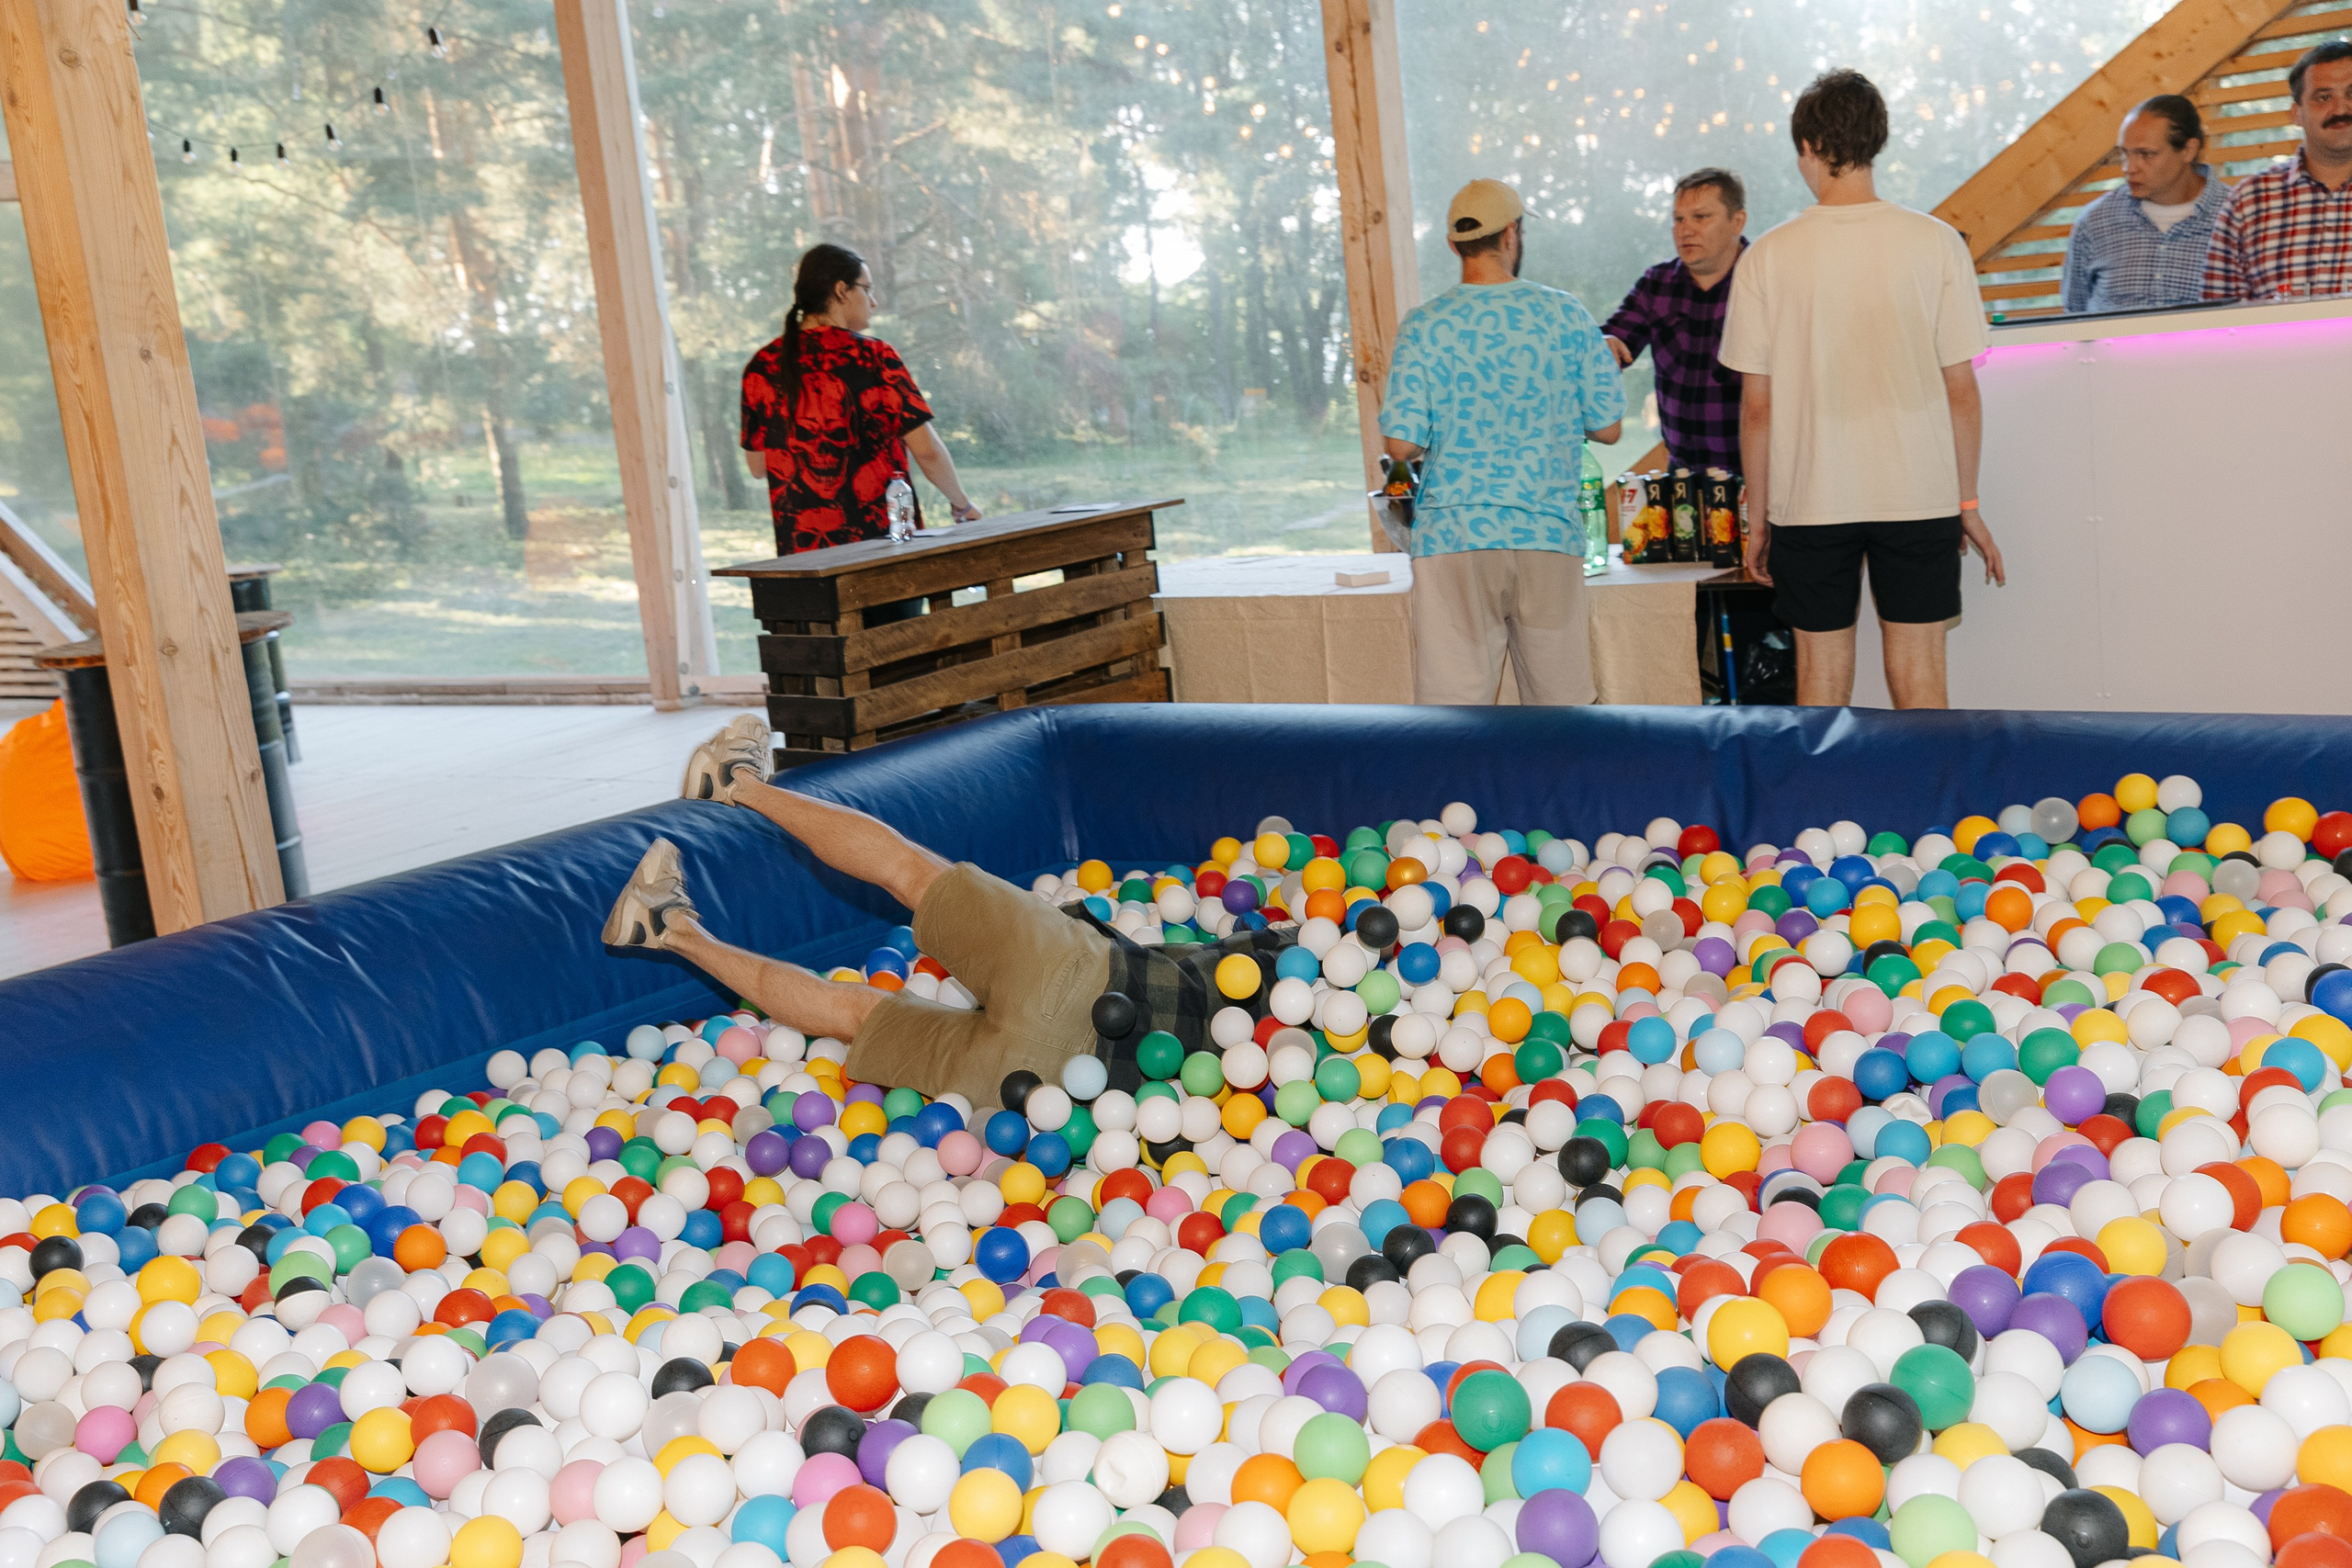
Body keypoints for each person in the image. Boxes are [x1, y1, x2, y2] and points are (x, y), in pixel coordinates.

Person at [605, 716, 1305, 1108]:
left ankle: (739, 782)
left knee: (910, 871)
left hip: (1081, 983)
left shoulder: (1296, 956)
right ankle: (667, 925)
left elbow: (1271, 947)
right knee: (855, 1015)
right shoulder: (1300, 1047)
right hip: (1043, 1091)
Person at [1718, 68, 2006, 710]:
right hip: (1920, 492)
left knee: (1820, 677)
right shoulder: (1935, 243)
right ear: (1874, 142)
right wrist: (1966, 501)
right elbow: (1961, 390)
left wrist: (1757, 517)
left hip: (1810, 497)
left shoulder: (1766, 255)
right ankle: (1931, 810)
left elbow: (1757, 409)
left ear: (1811, 148)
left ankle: (1824, 810)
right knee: (1920, 671)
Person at [1380, 179, 1625, 706]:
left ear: (1453, 244)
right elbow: (1607, 428)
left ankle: (1456, 794)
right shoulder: (1567, 316)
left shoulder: (1423, 325)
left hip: (1453, 537)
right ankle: (1560, 793)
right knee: (1562, 711)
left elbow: (1400, 445)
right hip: (1546, 534)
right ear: (1512, 233)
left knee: (1454, 714)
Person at [741, 243, 983, 566]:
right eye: (867, 289)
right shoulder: (874, 357)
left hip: (803, 563)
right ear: (841, 290)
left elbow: (759, 467)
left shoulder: (763, 365)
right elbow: (927, 451)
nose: (874, 302)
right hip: (884, 554)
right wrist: (962, 506)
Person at [1602, 167, 1750, 474]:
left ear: (1738, 221)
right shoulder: (1656, 284)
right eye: (1678, 219)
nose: (1685, 230)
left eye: (1701, 217)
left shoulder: (1765, 282)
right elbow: (1610, 345)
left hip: (1758, 477)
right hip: (1683, 478)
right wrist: (1600, 345)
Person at [2203, 42, 2352, 302]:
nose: (2341, 110)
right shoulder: (2248, 202)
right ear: (2296, 113)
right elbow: (2217, 322)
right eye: (2323, 97)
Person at [2063, 96, 2229, 313]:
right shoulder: (2095, 221)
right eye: (2125, 153)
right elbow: (2074, 314)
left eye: (2146, 154)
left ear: (2188, 150)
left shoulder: (2235, 216)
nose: (2129, 168)